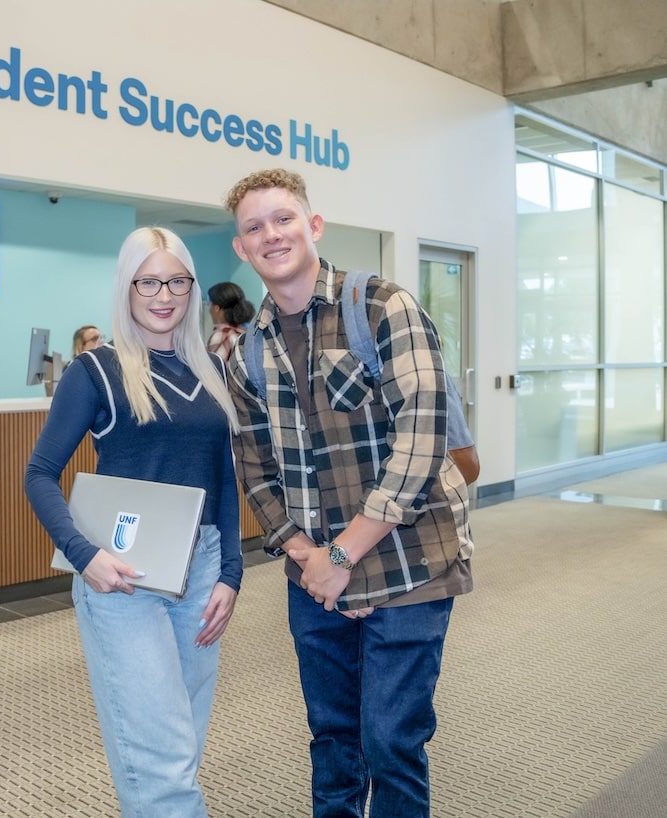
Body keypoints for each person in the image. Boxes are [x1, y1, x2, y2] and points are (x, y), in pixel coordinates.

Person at [223, 168, 473, 818]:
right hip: (312, 577)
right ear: (240, 248)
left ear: (312, 226)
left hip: (409, 563)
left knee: (390, 742)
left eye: (282, 219)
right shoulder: (245, 353)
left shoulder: (382, 307)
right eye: (254, 227)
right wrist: (311, 557)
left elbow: (421, 441)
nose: (270, 234)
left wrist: (342, 559)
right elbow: (255, 471)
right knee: (333, 744)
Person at [24, 226, 242, 818]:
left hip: (200, 571)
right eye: (149, 280)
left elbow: (223, 478)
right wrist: (83, 554)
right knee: (162, 762)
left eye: (176, 279)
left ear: (191, 287)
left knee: (178, 749)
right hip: (121, 577)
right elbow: (39, 474)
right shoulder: (95, 371)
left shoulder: (210, 371)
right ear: (127, 286)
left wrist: (231, 574)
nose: (163, 293)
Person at [205, 281, 255, 362]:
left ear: (216, 308)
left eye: (209, 304)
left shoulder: (223, 335)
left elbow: (213, 371)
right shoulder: (246, 331)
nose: (209, 310)